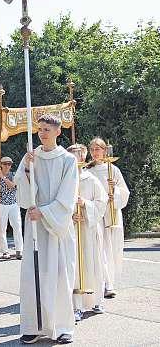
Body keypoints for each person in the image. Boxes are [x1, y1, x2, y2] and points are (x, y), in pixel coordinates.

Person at [15, 115, 78, 344]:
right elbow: (22, 192)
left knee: (60, 275)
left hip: (57, 226)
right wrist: (27, 169)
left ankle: (62, 327)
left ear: (58, 132)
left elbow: (68, 196)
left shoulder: (68, 160)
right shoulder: (31, 157)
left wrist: (45, 212)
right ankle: (33, 326)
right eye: (40, 129)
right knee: (33, 275)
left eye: (47, 129)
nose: (42, 133)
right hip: (35, 226)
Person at [67, 144, 108, 322]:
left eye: (76, 156)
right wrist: (70, 215)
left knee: (93, 264)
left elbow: (102, 202)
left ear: (83, 158)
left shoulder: (91, 179)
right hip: (72, 229)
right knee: (75, 267)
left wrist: (85, 204)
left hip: (89, 229)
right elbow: (58, 203)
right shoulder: (65, 180)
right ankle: (77, 306)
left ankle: (96, 301)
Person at [88, 137, 130, 299]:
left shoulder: (113, 170)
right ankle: (105, 283)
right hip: (96, 213)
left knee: (112, 248)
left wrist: (115, 193)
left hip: (111, 212)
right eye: (92, 150)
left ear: (104, 150)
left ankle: (110, 282)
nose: (94, 153)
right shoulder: (88, 170)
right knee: (100, 248)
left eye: (97, 149)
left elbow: (124, 191)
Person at [0, 157, 23, 259]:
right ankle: (5, 251)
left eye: (9, 164)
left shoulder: (13, 175)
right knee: (2, 228)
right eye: (5, 164)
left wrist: (3, 177)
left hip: (14, 204)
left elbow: (13, 186)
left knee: (17, 227)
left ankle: (19, 250)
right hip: (2, 205)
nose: (7, 166)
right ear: (1, 165)